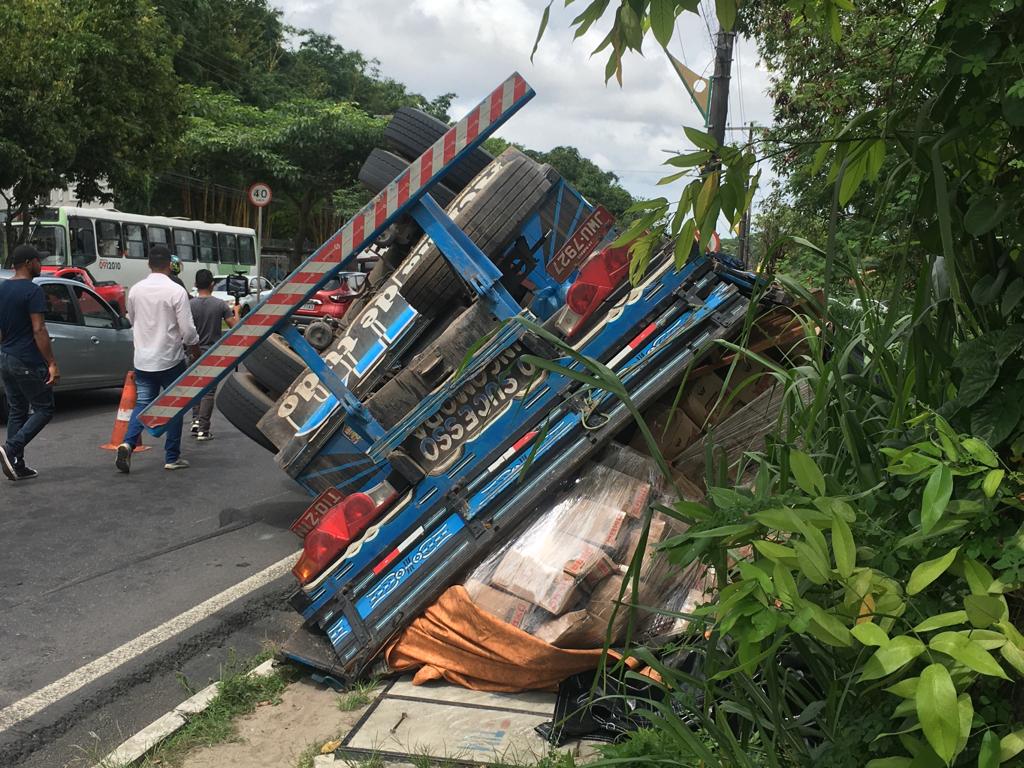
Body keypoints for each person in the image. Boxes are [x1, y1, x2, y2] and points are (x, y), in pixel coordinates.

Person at [116, 245, 200, 474]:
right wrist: (195, 350)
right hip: (170, 359)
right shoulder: (176, 291)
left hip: (143, 359)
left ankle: (127, 443)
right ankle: (172, 456)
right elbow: (188, 331)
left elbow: (132, 319)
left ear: (148, 264)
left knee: (142, 404)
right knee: (174, 406)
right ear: (169, 265)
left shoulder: (135, 290)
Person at [0, 244, 60, 480]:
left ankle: (16, 463)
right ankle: (10, 449)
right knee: (45, 409)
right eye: (38, 260)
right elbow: (39, 329)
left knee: (18, 410)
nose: (40, 264)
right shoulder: (32, 291)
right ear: (28, 263)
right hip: (26, 358)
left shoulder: (3, 288)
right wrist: (52, 362)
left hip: (6, 356)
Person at [189, 268, 239, 440]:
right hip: (212, 353)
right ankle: (203, 428)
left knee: (194, 388)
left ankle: (195, 420)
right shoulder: (220, 305)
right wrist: (237, 312)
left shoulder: (189, 305)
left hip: (193, 352)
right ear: (212, 285)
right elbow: (235, 327)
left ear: (195, 285)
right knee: (208, 392)